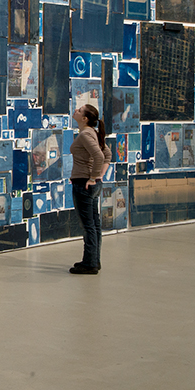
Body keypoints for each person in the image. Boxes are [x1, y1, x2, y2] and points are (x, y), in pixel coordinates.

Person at [70, 102, 108, 274]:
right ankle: (92, 260)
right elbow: (107, 155)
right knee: (94, 224)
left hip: (84, 184)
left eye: (79, 110)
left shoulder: (86, 134)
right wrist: (100, 176)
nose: (75, 111)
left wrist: (93, 178)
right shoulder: (91, 132)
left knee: (88, 226)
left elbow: (100, 156)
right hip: (90, 184)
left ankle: (90, 264)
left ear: (84, 118)